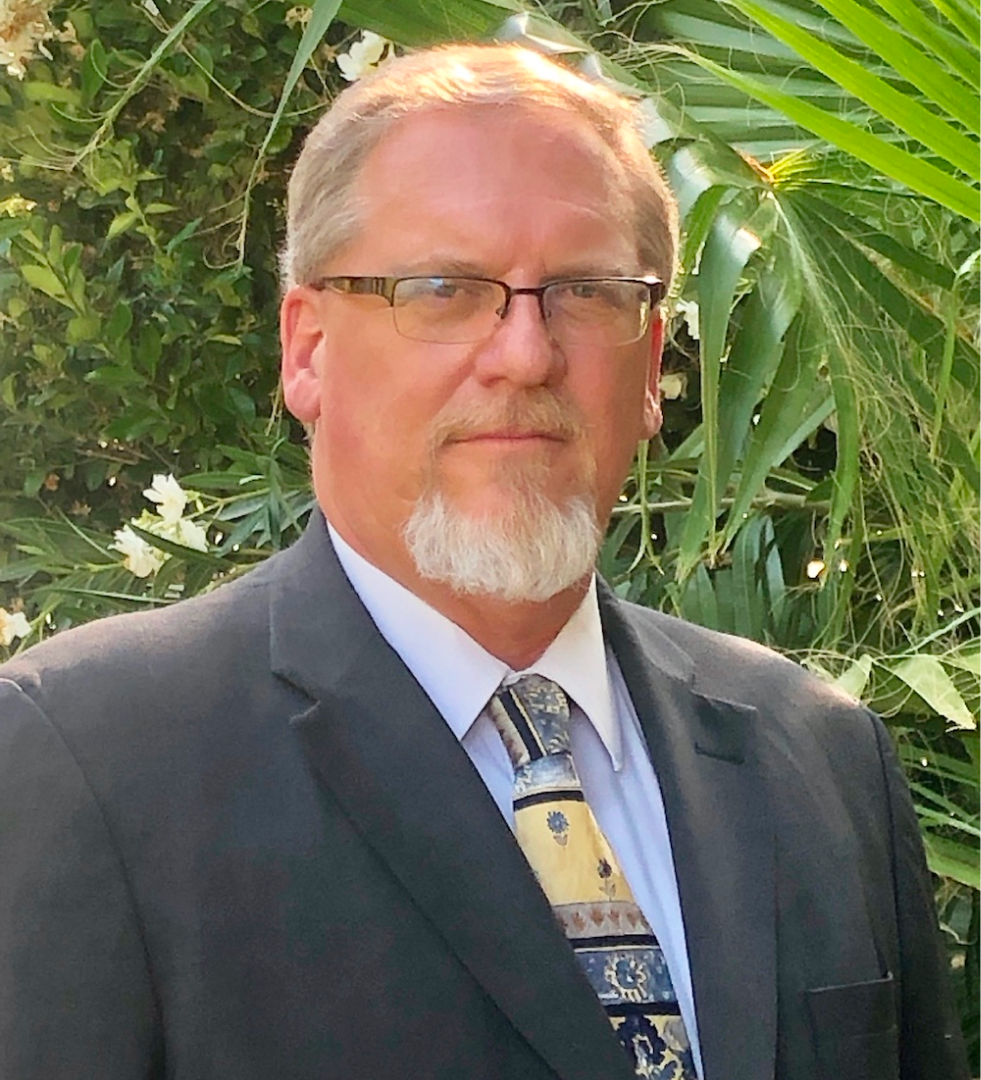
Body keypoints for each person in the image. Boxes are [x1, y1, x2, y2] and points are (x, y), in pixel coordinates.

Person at [0, 43, 968, 1080]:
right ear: (308, 350)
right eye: (443, 289)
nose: (525, 354)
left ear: (650, 365)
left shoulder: (819, 757)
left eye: (585, 292)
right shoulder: (90, 759)